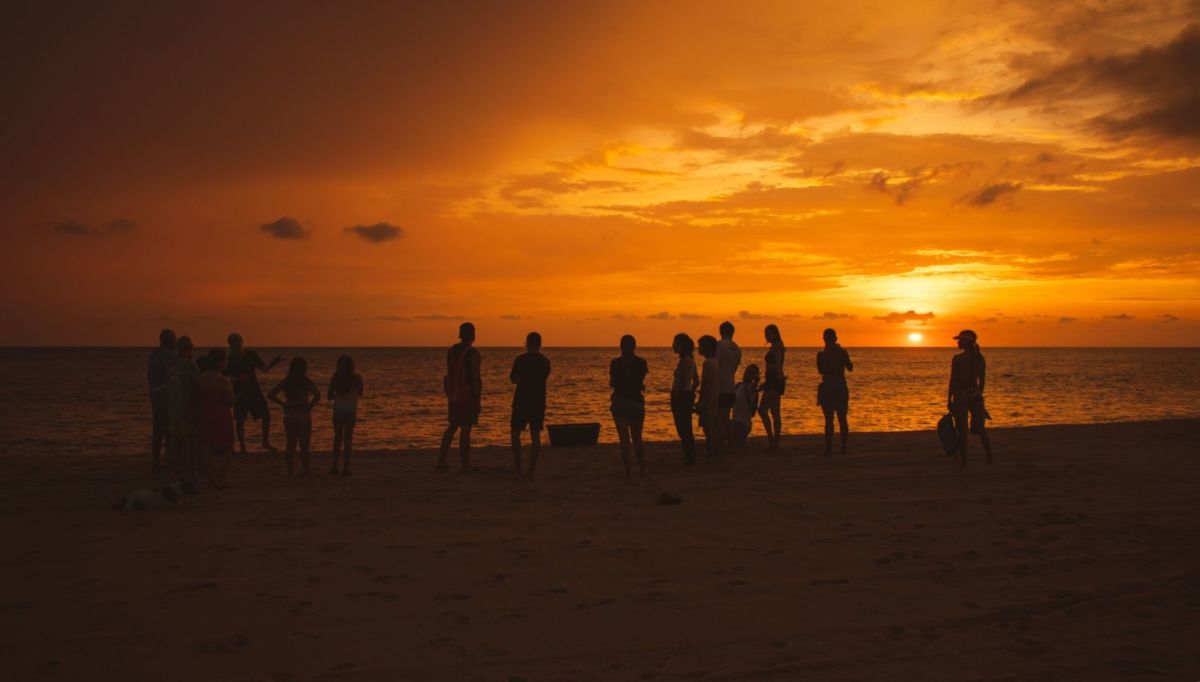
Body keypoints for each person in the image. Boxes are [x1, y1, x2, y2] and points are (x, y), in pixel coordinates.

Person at [226, 333, 283, 454]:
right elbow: (227, 377)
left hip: (254, 391)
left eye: (235, 341)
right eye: (231, 342)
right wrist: (237, 379)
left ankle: (265, 442)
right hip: (240, 393)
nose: (234, 344)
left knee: (266, 416)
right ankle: (242, 446)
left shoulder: (251, 354)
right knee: (240, 420)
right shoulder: (231, 358)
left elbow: (264, 369)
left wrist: (274, 362)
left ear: (241, 341)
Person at [439, 322, 482, 472]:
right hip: (468, 394)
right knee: (465, 428)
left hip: (453, 394)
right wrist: (477, 396)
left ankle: (441, 460)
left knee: (452, 426)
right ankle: (465, 464)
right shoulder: (473, 353)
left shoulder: (451, 351)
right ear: (472, 335)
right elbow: (475, 376)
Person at [268, 357, 321, 476]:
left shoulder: (286, 382)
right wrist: (310, 405)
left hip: (290, 413)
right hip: (303, 413)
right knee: (304, 445)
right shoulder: (307, 381)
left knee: (290, 444)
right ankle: (306, 471)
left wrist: (282, 404)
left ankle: (290, 471)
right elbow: (317, 395)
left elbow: (270, 395)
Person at [948, 329, 993, 466]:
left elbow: (953, 380)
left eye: (960, 340)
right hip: (975, 394)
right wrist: (979, 396)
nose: (957, 343)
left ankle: (964, 461)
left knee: (962, 429)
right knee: (980, 429)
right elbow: (982, 381)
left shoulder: (958, 359)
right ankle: (990, 458)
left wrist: (949, 399)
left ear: (966, 343)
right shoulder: (980, 358)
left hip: (961, 395)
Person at [510, 332, 551, 476]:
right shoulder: (545, 361)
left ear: (527, 343)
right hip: (538, 401)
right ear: (539, 344)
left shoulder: (520, 359)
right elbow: (544, 378)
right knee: (535, 435)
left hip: (521, 399)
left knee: (515, 433)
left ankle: (518, 466)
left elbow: (513, 379)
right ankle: (531, 468)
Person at [609, 334, 648, 477]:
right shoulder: (641, 363)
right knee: (637, 438)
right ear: (635, 346)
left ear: (621, 346)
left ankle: (629, 473)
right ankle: (643, 470)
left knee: (624, 440)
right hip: (636, 402)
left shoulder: (615, 363)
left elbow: (613, 382)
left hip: (620, 402)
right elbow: (640, 381)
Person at [196, 349, 235, 489]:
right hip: (221, 416)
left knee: (206, 447)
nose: (226, 363)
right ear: (219, 363)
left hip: (204, 415)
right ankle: (222, 477)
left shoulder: (199, 378)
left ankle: (207, 477)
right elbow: (230, 401)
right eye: (225, 360)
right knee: (226, 447)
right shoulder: (223, 380)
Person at [165, 336, 200, 491]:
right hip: (186, 408)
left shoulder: (170, 364)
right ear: (189, 349)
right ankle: (188, 477)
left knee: (174, 443)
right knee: (188, 444)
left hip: (172, 409)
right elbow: (196, 387)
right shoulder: (190, 365)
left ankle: (172, 475)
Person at [817, 328, 854, 455]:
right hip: (838, 388)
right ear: (836, 339)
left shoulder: (822, 355)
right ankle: (842, 448)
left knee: (830, 420)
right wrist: (841, 358)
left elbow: (821, 370)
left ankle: (830, 449)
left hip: (832, 388)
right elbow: (850, 367)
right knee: (841, 419)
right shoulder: (839, 352)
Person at [327, 355, 364, 476]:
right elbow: (361, 393)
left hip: (338, 410)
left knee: (337, 438)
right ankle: (345, 468)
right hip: (350, 410)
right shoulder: (357, 378)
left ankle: (334, 466)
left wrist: (338, 396)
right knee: (348, 440)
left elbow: (329, 396)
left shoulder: (336, 377)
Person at [147, 329, 176, 472]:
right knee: (169, 432)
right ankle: (169, 462)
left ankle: (156, 462)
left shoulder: (154, 354)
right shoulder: (170, 355)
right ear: (170, 341)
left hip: (156, 399)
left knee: (158, 432)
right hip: (167, 399)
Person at [670, 333, 699, 466]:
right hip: (685, 396)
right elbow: (696, 381)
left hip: (681, 397)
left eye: (675, 342)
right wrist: (691, 394)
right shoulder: (690, 360)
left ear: (681, 345)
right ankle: (689, 454)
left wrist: (680, 394)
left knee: (683, 428)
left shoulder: (685, 361)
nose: (673, 345)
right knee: (685, 427)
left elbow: (686, 382)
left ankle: (689, 455)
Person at [758, 324, 786, 451]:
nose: (766, 336)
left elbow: (778, 364)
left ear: (775, 333)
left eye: (769, 333)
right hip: (771, 378)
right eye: (765, 333)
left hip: (774, 379)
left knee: (763, 409)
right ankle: (775, 441)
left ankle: (773, 440)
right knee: (774, 412)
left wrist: (779, 379)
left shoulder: (778, 345)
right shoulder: (774, 346)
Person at [716, 321, 742, 454]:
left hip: (720, 387)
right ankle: (731, 443)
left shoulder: (718, 346)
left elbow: (716, 365)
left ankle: (723, 443)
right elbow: (734, 368)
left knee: (720, 418)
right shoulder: (737, 349)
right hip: (731, 387)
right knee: (726, 417)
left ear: (720, 332)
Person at [697, 334, 721, 461]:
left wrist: (701, 400)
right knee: (712, 426)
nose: (698, 348)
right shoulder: (715, 362)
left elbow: (705, 383)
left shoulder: (707, 363)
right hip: (714, 397)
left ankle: (712, 453)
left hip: (708, 399)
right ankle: (714, 452)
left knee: (708, 427)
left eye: (700, 346)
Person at [732, 364, 760, 452]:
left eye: (751, 373)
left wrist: (756, 380)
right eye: (747, 371)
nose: (747, 374)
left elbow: (754, 385)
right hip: (735, 422)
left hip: (743, 424)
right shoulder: (738, 385)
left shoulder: (751, 389)